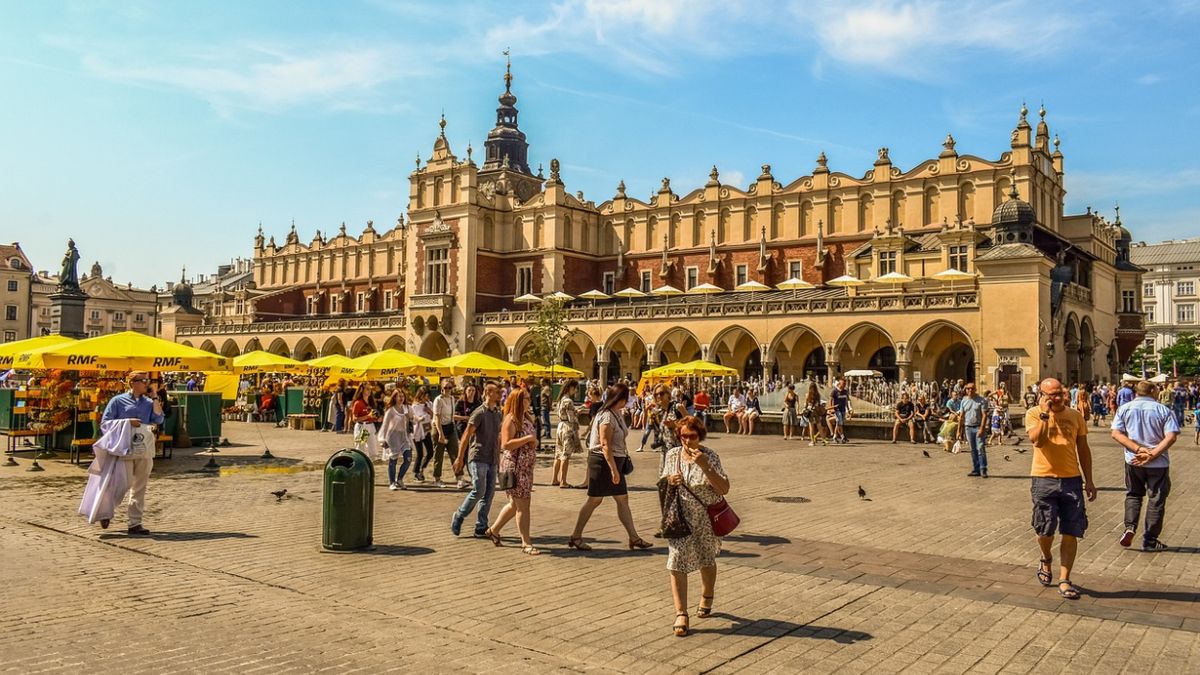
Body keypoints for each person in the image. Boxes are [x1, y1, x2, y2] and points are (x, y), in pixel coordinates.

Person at [1025, 378, 1096, 600]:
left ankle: (1065, 580)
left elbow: (1083, 449)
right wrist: (1045, 414)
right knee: (1044, 530)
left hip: (1071, 479)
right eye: (1052, 394)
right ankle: (1046, 558)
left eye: (1060, 393)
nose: (1057, 398)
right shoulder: (1034, 414)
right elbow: (1037, 441)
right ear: (1042, 395)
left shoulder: (1075, 416)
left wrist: (1089, 480)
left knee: (1071, 531)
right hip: (1043, 478)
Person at [661, 415, 730, 638]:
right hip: (680, 516)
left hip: (706, 518)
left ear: (700, 436)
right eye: (683, 436)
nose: (688, 441)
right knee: (676, 559)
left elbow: (724, 488)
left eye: (692, 436)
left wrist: (705, 465)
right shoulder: (672, 454)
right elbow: (662, 482)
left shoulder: (709, 456)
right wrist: (670, 480)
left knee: (706, 558)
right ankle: (681, 613)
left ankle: (707, 595)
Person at [567, 383, 654, 551]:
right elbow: (605, 444)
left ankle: (634, 538)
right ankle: (576, 535)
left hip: (614, 461)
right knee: (594, 500)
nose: (626, 402)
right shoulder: (606, 416)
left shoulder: (616, 413)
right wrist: (614, 469)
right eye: (625, 399)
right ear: (619, 399)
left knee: (622, 499)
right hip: (603, 462)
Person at [1111, 381, 1179, 552]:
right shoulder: (1163, 410)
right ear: (1153, 391)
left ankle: (1130, 527)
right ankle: (1150, 539)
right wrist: (1152, 454)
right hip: (1158, 462)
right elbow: (1171, 437)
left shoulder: (1124, 409)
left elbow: (1116, 433)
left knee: (1134, 494)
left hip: (1133, 460)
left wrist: (1137, 450)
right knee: (1156, 499)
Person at [99, 371, 164, 535]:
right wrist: (127, 422)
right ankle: (105, 511)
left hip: (144, 447)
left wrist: (155, 396)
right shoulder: (117, 401)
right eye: (143, 380)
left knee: (140, 486)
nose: (146, 383)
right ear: (132, 383)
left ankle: (135, 523)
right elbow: (105, 423)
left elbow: (159, 419)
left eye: (147, 380)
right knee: (123, 483)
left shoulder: (149, 402)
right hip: (125, 447)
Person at [485, 389, 541, 554]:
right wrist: (528, 439)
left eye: (529, 398)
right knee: (523, 505)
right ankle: (526, 543)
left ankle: (493, 530)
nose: (529, 401)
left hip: (525, 468)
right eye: (525, 399)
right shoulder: (511, 419)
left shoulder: (526, 418)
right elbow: (506, 444)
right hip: (514, 468)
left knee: (514, 504)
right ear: (517, 400)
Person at [451, 383, 503, 538]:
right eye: (497, 392)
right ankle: (459, 515)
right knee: (478, 490)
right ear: (488, 393)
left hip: (492, 458)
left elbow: (498, 438)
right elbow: (466, 435)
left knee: (489, 493)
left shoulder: (498, 413)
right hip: (478, 456)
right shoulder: (479, 413)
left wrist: (499, 458)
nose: (500, 394)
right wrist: (460, 458)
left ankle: (481, 526)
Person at [378, 389, 414, 490]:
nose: (401, 398)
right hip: (393, 437)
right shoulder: (390, 410)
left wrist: (417, 419)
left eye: (403, 396)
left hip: (404, 436)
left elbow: (412, 417)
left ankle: (400, 479)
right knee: (393, 459)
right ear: (395, 397)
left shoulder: (407, 408)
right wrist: (382, 439)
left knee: (408, 459)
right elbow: (385, 426)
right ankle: (392, 482)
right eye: (399, 396)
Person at [552, 380, 585, 489]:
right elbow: (571, 418)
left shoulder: (560, 399)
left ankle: (554, 479)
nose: (575, 391)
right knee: (565, 455)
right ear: (570, 387)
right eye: (575, 388)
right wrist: (577, 413)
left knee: (558, 454)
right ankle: (563, 481)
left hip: (560, 426)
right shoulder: (568, 401)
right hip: (567, 428)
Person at [431, 382, 461, 489]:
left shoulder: (452, 399)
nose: (447, 389)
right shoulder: (438, 400)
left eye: (449, 387)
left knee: (455, 453)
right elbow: (437, 418)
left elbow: (452, 415)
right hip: (439, 428)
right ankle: (437, 479)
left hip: (450, 427)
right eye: (445, 387)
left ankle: (459, 478)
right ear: (441, 388)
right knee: (438, 455)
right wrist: (441, 435)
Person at [453, 383, 482, 489]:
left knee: (472, 454)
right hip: (462, 431)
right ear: (465, 391)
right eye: (469, 390)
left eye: (473, 391)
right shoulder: (460, 403)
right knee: (464, 453)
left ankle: (472, 477)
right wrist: (465, 418)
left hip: (475, 432)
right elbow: (454, 416)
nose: (471, 393)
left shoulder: (478, 403)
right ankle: (460, 478)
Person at [959, 383, 988, 477]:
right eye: (968, 389)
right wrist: (959, 431)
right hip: (968, 428)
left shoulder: (981, 400)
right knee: (973, 449)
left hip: (978, 427)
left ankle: (983, 469)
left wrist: (982, 429)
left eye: (972, 388)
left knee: (980, 448)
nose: (970, 390)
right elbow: (961, 416)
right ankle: (976, 469)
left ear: (975, 389)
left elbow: (984, 415)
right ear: (965, 390)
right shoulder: (963, 401)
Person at [410, 388, 434, 482]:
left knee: (430, 452)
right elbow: (412, 417)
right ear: (420, 395)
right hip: (417, 432)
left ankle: (421, 469)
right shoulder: (414, 406)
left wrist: (429, 411)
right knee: (420, 453)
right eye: (425, 396)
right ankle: (416, 472)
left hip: (426, 430)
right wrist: (419, 419)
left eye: (427, 396)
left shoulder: (429, 404)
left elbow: (433, 416)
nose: (426, 398)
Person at [350, 385, 379, 461]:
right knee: (361, 447)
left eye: (370, 389)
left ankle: (372, 463)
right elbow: (355, 419)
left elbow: (373, 415)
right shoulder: (358, 403)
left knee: (373, 447)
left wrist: (377, 418)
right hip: (363, 427)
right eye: (367, 389)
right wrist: (368, 416)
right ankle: (360, 462)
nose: (369, 391)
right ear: (362, 390)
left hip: (370, 426)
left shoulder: (371, 402)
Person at [829, 378, 851, 444]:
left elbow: (847, 400)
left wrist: (849, 409)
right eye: (843, 384)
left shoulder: (845, 391)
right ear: (839, 384)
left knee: (839, 423)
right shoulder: (834, 391)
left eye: (845, 384)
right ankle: (841, 437)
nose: (844, 385)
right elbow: (830, 400)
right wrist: (831, 408)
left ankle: (836, 437)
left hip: (843, 409)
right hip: (837, 409)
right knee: (839, 422)